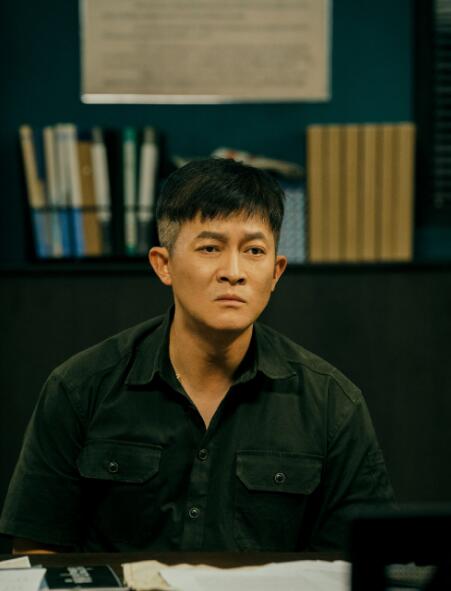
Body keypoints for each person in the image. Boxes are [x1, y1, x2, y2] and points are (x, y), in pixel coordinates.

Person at [0, 157, 394, 553]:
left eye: (254, 250)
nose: (233, 271)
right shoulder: (79, 388)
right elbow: (37, 551)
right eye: (210, 248)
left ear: (276, 272)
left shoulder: (332, 404)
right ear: (164, 264)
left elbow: (360, 561)